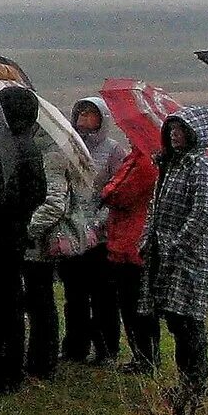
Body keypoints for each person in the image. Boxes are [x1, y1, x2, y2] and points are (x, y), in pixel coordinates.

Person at [0, 87, 48, 394]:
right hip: (10, 234)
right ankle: (5, 369)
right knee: (6, 302)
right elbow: (36, 193)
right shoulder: (27, 146)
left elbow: (10, 193)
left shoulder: (11, 147)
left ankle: (1, 371)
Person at [142, 106, 208, 394]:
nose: (174, 135)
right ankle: (185, 382)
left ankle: (195, 383)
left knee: (189, 322)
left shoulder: (203, 166)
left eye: (180, 130)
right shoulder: (170, 165)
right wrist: (148, 241)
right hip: (163, 255)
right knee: (175, 320)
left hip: (190, 259)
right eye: (171, 130)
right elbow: (155, 207)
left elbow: (202, 214)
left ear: (194, 133)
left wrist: (176, 246)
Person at [25, 108, 98, 380]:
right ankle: (41, 356)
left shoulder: (51, 153)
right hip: (37, 238)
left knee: (41, 301)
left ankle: (42, 360)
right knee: (38, 300)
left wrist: (28, 228)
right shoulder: (44, 147)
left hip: (40, 240)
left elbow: (54, 202)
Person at [62, 98, 121, 364]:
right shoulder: (69, 147)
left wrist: (99, 223)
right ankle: (75, 347)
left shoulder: (113, 151)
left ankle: (106, 349)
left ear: (102, 119)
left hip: (100, 235)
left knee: (103, 296)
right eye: (81, 113)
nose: (85, 119)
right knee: (74, 295)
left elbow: (117, 193)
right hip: (71, 230)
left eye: (91, 114)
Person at [101, 111, 161, 372]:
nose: (127, 133)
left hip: (131, 242)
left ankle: (144, 357)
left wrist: (106, 189)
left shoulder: (144, 162)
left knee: (134, 302)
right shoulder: (140, 158)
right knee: (135, 302)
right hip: (129, 239)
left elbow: (117, 193)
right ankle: (144, 355)